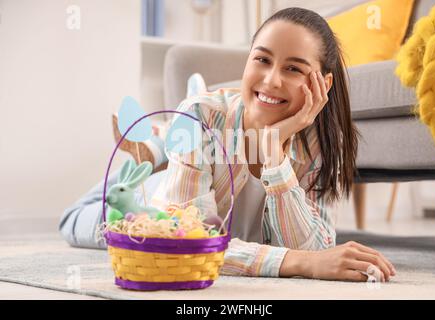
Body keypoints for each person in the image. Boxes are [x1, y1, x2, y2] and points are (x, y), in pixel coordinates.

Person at [59, 7, 396, 282]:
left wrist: (274, 155)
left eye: (293, 68)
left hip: (188, 173)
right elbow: (191, 244)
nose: (272, 80)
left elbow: (309, 246)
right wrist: (301, 263)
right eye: (262, 60)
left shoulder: (323, 143)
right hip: (152, 205)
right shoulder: (201, 115)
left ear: (322, 84)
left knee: (187, 138)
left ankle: (164, 147)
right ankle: (162, 149)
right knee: (82, 222)